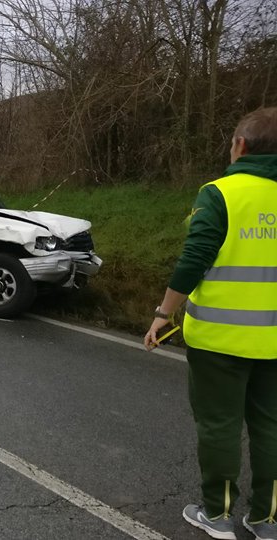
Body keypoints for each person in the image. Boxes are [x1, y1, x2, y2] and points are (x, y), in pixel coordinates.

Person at [144, 107, 277, 540]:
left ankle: (217, 515)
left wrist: (164, 314)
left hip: (221, 340)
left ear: (240, 145)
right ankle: (267, 520)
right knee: (271, 428)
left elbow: (194, 259)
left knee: (219, 426)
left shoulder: (221, 193)